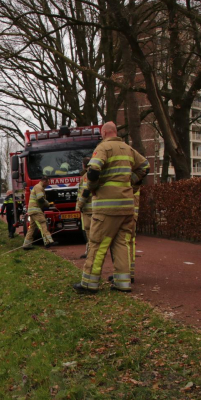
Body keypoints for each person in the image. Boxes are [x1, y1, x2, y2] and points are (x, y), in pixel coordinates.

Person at [73, 122, 149, 294]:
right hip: (127, 206)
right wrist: (131, 182)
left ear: (105, 132)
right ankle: (123, 283)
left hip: (106, 206)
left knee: (97, 244)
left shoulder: (103, 148)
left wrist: (93, 187)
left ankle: (89, 283)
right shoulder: (128, 149)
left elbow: (93, 170)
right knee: (121, 244)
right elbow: (145, 166)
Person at [22, 174, 57, 250]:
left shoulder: (37, 187)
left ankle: (26, 245)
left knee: (32, 228)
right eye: (48, 183)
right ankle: (49, 241)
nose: (48, 184)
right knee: (43, 224)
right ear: (44, 181)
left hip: (32, 210)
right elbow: (40, 199)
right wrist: (48, 204)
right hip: (36, 210)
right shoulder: (39, 187)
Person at [75, 156, 92, 259]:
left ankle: (90, 252)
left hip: (88, 209)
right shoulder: (93, 174)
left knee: (88, 231)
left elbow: (86, 191)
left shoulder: (86, 176)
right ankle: (89, 250)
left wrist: (79, 205)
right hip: (93, 208)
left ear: (84, 165)